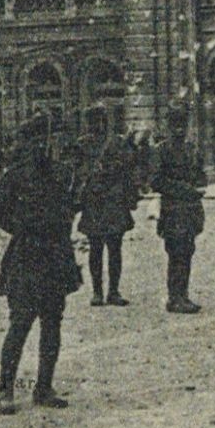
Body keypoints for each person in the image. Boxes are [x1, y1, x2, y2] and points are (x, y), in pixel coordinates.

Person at [0, 120, 80, 414]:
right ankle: (5, 391)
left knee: (52, 324)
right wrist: (27, 227)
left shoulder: (59, 174)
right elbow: (1, 216)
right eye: (33, 141)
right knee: (20, 324)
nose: (40, 146)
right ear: (24, 143)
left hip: (55, 256)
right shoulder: (13, 178)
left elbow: (70, 205)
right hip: (27, 256)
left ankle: (44, 387)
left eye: (44, 140)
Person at [77, 131, 140, 307]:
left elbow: (129, 166)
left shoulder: (116, 143)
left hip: (113, 203)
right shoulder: (82, 145)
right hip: (95, 203)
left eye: (100, 122)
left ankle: (113, 291)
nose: (96, 126)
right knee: (96, 249)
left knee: (115, 249)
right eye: (93, 122)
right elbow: (78, 171)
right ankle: (97, 292)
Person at [152, 132, 205, 314]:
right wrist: (183, 189)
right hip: (173, 210)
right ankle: (174, 298)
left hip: (190, 209)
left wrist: (199, 185)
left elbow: (200, 173)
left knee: (187, 251)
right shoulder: (162, 150)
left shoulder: (190, 148)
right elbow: (156, 181)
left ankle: (183, 295)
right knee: (176, 253)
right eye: (175, 122)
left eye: (181, 121)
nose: (178, 127)